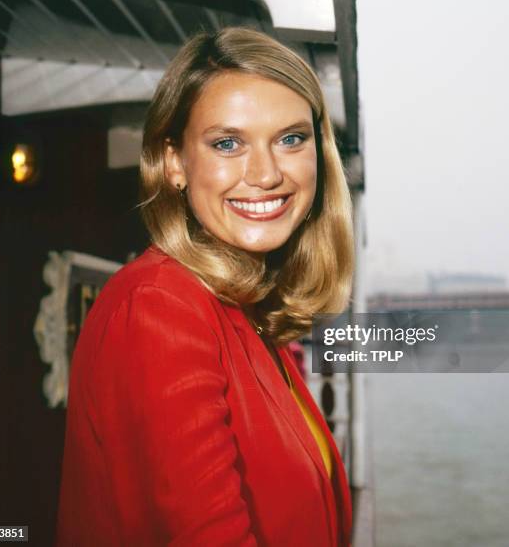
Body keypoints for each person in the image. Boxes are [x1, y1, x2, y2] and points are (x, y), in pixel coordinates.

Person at [56, 27, 355, 546]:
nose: (265, 174)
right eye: (228, 143)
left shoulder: (242, 311)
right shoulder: (159, 306)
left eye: (290, 139)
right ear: (174, 162)